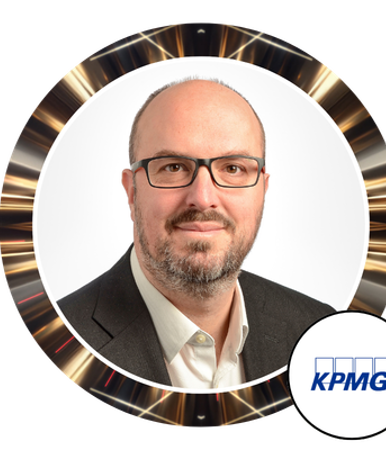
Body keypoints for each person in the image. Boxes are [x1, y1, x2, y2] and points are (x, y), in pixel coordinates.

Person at [58, 78, 335, 389]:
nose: (203, 198)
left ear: (263, 190)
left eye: (233, 168)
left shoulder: (320, 333)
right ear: (132, 191)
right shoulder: (57, 341)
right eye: (173, 167)